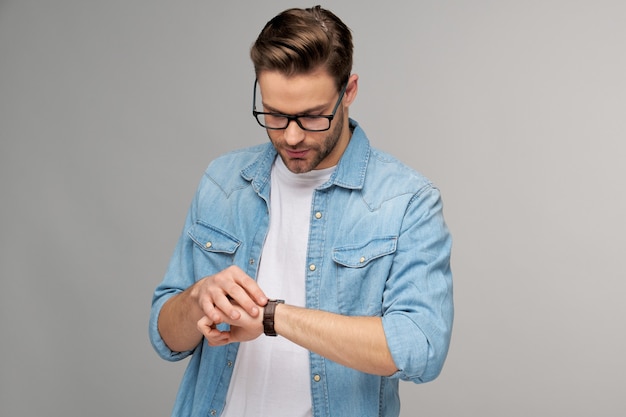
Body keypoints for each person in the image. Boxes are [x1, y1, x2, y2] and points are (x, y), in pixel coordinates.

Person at [149, 5, 453, 417]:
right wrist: (196, 300)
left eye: (312, 116)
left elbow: (421, 346)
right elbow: (165, 336)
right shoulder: (223, 181)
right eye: (274, 114)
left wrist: (273, 317)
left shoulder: (406, 201)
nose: (291, 136)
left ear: (349, 91)